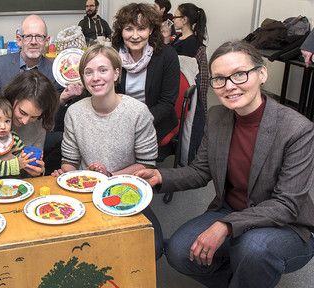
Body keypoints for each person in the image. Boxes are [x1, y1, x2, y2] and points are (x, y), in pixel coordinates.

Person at [135, 40, 314, 287]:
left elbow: (287, 205)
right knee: (178, 252)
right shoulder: (218, 117)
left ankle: (251, 267)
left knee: (254, 248)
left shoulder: (297, 130)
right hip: (231, 210)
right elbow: (201, 171)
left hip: (286, 224)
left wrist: (225, 226)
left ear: (262, 73)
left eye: (239, 75)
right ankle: (244, 278)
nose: (230, 86)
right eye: (219, 79)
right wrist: (160, 177)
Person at [50, 44, 163, 259]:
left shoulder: (137, 112)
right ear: (82, 77)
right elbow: (69, 160)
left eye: (103, 70)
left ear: (116, 73)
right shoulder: (74, 112)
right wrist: (68, 174)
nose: (95, 78)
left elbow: (148, 163)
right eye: (88, 72)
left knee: (150, 249)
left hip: (124, 190)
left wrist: (109, 177)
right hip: (85, 194)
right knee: (74, 250)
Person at [0, 14, 84, 173]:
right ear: (19, 39)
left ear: (47, 41)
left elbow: (53, 123)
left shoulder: (56, 73)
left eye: (39, 37)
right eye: (28, 36)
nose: (33, 41)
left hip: (34, 137)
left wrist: (62, 100)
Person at [112, 3, 180, 143]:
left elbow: (167, 102)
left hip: (155, 121)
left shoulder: (167, 55)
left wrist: (137, 123)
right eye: (129, 29)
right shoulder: (113, 56)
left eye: (141, 28)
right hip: (119, 121)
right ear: (121, 31)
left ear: (151, 30)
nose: (135, 36)